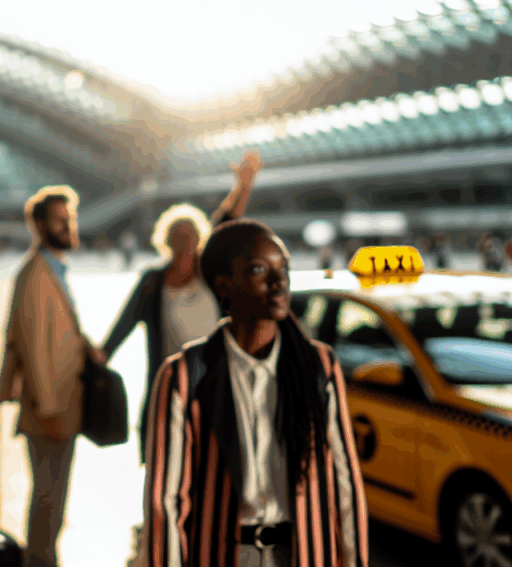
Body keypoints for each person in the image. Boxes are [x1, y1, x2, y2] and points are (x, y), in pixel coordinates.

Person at [142, 219, 368, 567]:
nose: (279, 282)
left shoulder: (319, 365)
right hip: (223, 555)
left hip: (304, 552)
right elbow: (166, 500)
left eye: (284, 269)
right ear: (224, 286)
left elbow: (345, 481)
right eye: (259, 270)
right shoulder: (184, 375)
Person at [101, 150, 262, 464]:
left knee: (211, 468)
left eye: (191, 237)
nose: (185, 244)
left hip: (215, 389)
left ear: (200, 241)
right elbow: (122, 326)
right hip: (169, 391)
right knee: (167, 468)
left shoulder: (210, 275)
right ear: (167, 241)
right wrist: (100, 355)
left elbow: (226, 222)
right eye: (178, 237)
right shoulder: (153, 282)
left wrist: (243, 187)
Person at [0, 185, 106, 567]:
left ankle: (43, 559)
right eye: (60, 220)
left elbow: (55, 330)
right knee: (48, 497)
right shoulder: (36, 275)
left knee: (53, 497)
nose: (69, 226)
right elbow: (29, 343)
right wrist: (47, 407)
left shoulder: (52, 270)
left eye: (70, 218)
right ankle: (39, 562)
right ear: (40, 225)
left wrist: (85, 346)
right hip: (50, 408)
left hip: (61, 403)